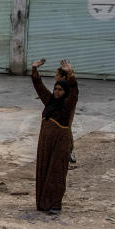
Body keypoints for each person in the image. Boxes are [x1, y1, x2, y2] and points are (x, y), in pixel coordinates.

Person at [31, 59, 78, 214]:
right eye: (55, 89)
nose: (57, 92)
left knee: (56, 172)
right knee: (44, 170)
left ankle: (56, 204)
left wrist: (70, 74)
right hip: (45, 143)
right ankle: (44, 203)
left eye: (60, 90)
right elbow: (39, 87)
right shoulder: (50, 101)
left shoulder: (66, 106)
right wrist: (34, 69)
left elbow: (74, 93)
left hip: (60, 143)